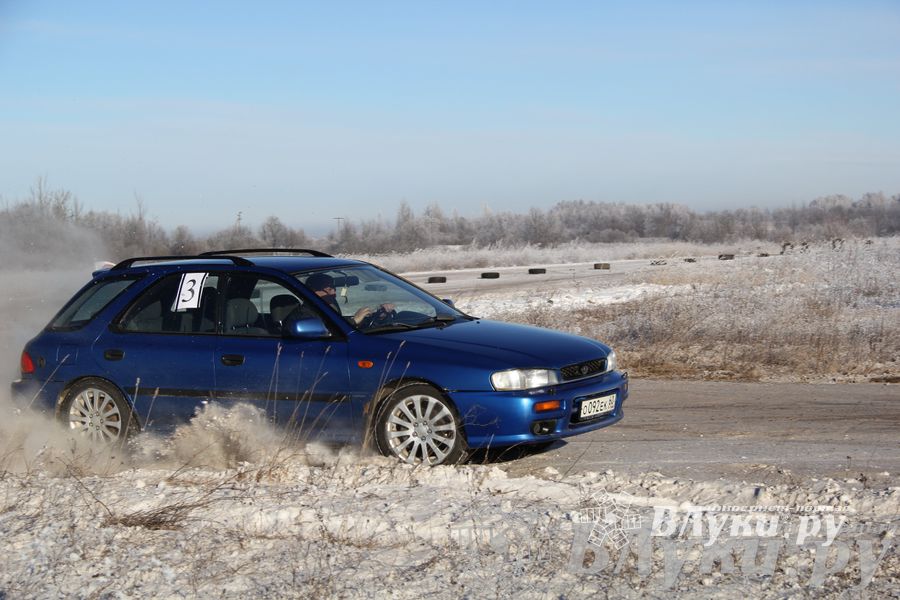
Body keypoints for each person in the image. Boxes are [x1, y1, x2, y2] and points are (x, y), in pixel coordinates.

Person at [304, 272, 393, 326]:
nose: (334, 293)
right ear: (313, 291)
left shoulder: (328, 306)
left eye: (334, 288)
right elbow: (329, 332)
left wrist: (377, 317)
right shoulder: (306, 313)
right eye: (329, 289)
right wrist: (354, 320)